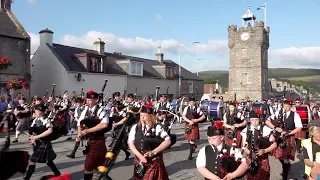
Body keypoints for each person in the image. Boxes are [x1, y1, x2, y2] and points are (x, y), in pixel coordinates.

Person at [128, 105, 171, 180]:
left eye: (145, 115)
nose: (142, 118)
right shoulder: (135, 127)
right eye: (141, 115)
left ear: (150, 116)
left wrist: (153, 152)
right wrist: (140, 156)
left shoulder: (157, 127)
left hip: (153, 162)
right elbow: (130, 143)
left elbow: (168, 141)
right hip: (139, 160)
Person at [265, 100, 303, 180]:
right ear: (282, 105)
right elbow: (267, 121)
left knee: (285, 157)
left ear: (291, 106)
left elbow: (299, 128)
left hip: (288, 138)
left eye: (288, 106)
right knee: (279, 156)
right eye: (285, 106)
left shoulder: (295, 115)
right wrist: (275, 128)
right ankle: (287, 167)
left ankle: (285, 175)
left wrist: (289, 133)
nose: (286, 108)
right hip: (278, 137)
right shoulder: (278, 113)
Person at [24, 104, 61, 180]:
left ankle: (27, 178)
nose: (35, 113)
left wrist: (37, 137)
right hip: (38, 143)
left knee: (32, 160)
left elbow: (50, 130)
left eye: (37, 111)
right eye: (35, 111)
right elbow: (34, 130)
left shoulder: (46, 120)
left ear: (42, 112)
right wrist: (32, 138)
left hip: (44, 143)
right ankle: (57, 174)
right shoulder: (36, 120)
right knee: (48, 161)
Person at [78, 90, 109, 180]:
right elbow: (80, 123)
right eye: (87, 99)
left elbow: (104, 124)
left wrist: (88, 131)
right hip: (90, 141)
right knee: (99, 167)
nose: (87, 101)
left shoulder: (101, 110)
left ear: (96, 100)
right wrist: (79, 134)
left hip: (98, 140)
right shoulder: (85, 110)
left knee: (88, 166)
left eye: (90, 100)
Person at [241, 110, 277, 180]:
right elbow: (244, 146)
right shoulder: (246, 130)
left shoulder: (265, 129)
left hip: (263, 158)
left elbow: (274, 144)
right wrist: (249, 152)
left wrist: (264, 150)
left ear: (259, 119)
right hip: (250, 158)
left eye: (256, 120)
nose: (254, 122)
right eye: (252, 120)